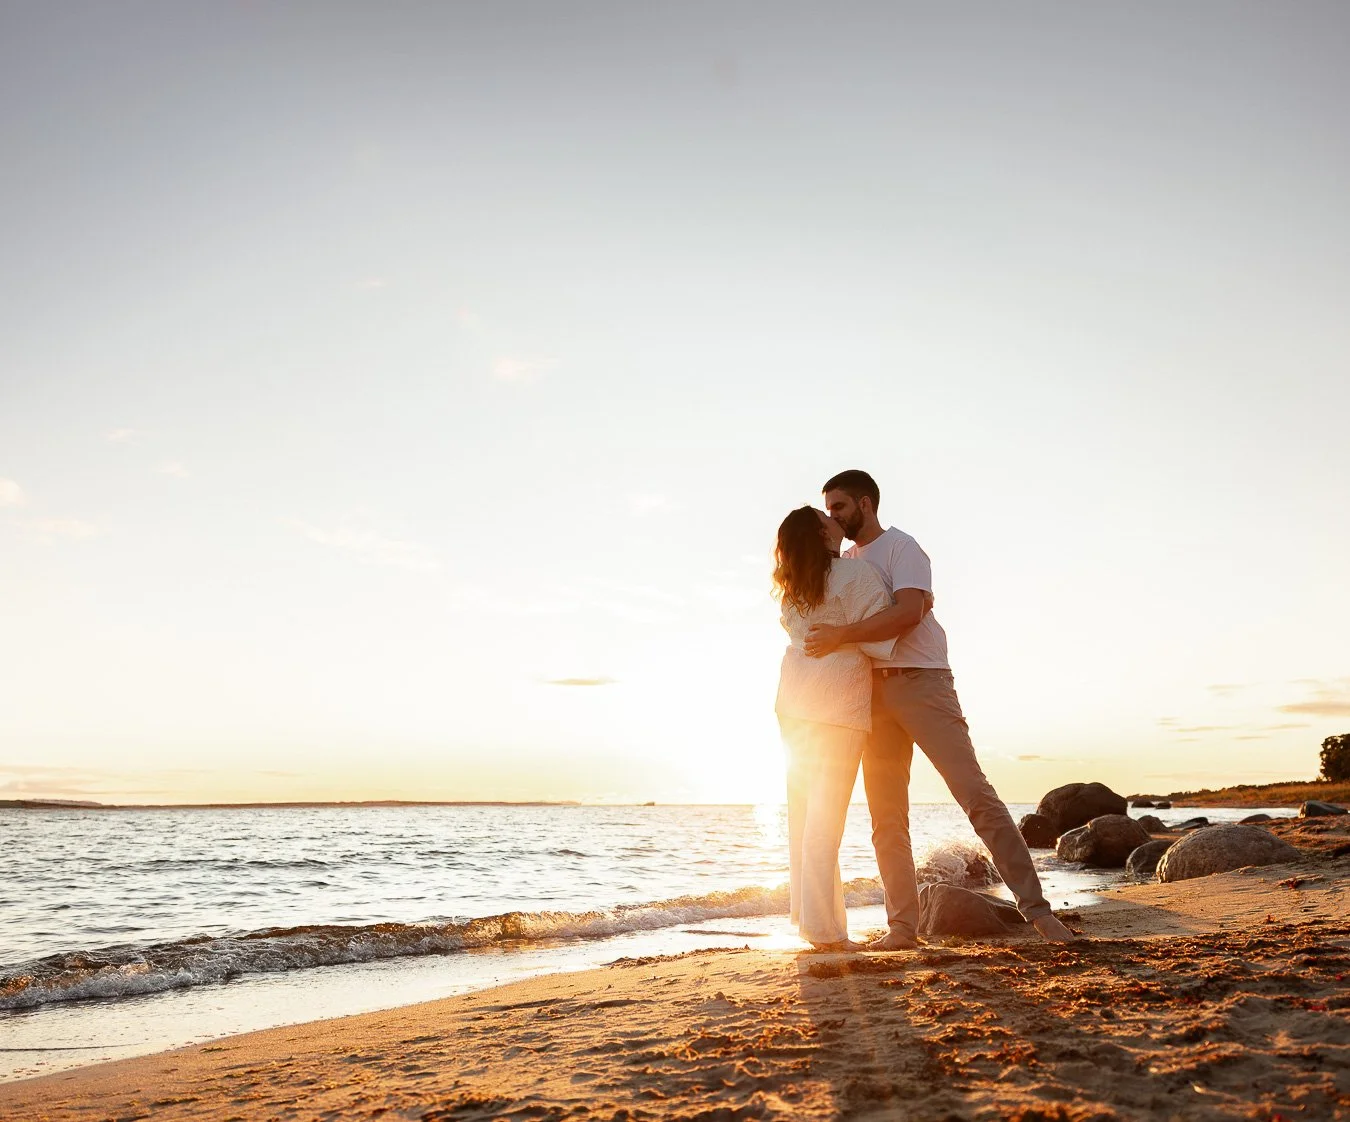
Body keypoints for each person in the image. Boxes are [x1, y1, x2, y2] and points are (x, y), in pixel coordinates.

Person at [804, 470, 1076, 946]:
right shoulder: (845, 560)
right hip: (869, 693)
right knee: (886, 817)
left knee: (976, 795)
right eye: (828, 509)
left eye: (839, 507)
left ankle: (1038, 913)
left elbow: (909, 614)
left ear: (865, 504)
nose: (833, 517)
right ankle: (903, 928)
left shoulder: (902, 548)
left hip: (922, 683)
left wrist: (851, 632)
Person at [773, 505, 921, 951]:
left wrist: (838, 633)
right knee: (825, 819)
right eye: (828, 517)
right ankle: (825, 932)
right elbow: (884, 636)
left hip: (795, 705)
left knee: (804, 817)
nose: (836, 519)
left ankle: (811, 921)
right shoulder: (854, 577)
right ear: (822, 534)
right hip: (836, 707)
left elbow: (811, 637)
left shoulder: (791, 588)